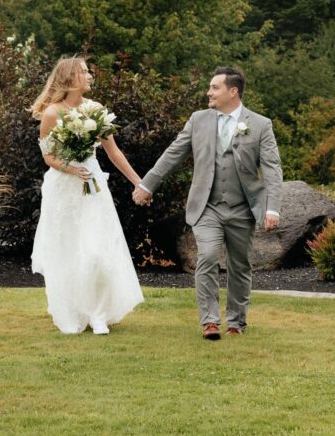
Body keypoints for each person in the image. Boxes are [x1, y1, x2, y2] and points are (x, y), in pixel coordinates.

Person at [133, 66, 282, 340]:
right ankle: (210, 321)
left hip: (243, 209)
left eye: (215, 87)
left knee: (240, 265)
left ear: (233, 91)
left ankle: (236, 322)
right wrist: (147, 184)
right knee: (208, 256)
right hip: (207, 207)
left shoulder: (261, 125)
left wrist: (272, 208)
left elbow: (272, 169)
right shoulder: (198, 120)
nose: (208, 92)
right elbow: (173, 154)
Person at [31, 57, 144, 335]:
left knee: (97, 251)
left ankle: (98, 314)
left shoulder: (96, 110)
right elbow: (48, 155)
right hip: (64, 189)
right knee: (69, 251)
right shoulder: (52, 113)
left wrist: (139, 182)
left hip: (93, 186)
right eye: (84, 72)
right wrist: (70, 168)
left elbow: (113, 152)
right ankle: (74, 310)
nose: (90, 76)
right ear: (69, 78)